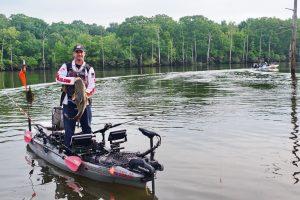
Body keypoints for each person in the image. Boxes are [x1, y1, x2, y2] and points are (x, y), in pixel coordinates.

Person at [56, 44, 96, 152]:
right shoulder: (66, 66)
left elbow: (92, 86)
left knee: (87, 127)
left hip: (84, 102)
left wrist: (84, 94)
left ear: (84, 54)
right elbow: (58, 78)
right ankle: (68, 150)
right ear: (74, 54)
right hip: (68, 102)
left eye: (81, 52)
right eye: (77, 52)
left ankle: (88, 150)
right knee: (69, 130)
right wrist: (73, 80)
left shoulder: (89, 69)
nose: (79, 54)